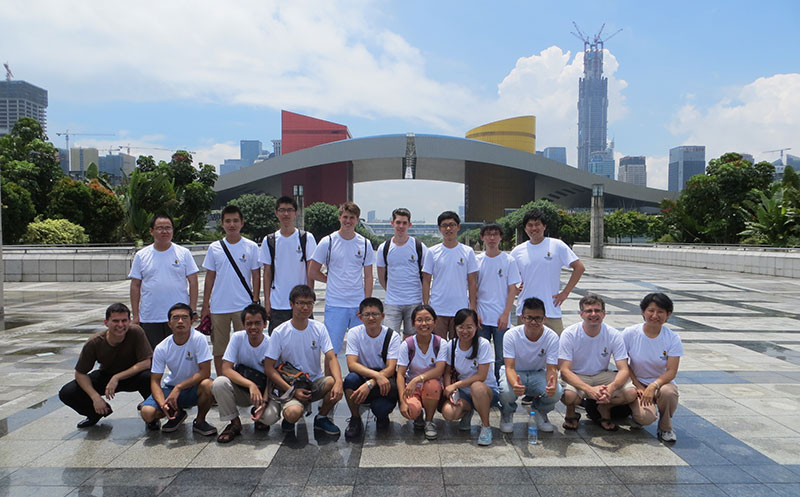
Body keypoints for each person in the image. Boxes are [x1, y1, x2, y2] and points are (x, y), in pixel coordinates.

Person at [263, 285, 344, 435]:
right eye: (300, 303)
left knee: (334, 383)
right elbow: (269, 367)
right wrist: (291, 390)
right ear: (291, 304)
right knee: (294, 413)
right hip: (289, 384)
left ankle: (321, 417)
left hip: (313, 382)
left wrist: (339, 382)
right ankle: (289, 418)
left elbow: (331, 357)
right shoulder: (280, 332)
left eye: (309, 303)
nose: (305, 307)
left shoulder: (319, 328)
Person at [58, 303, 152, 428]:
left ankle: (152, 415)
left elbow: (146, 363)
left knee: (150, 377)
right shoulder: (95, 342)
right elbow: (80, 373)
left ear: (129, 321)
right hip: (106, 376)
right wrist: (95, 397)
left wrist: (117, 377)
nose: (120, 325)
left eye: (124, 321)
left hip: (133, 375)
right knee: (68, 392)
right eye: (115, 321)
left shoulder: (136, 332)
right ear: (106, 322)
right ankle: (94, 413)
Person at [559, 295, 636, 431]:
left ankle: (604, 407)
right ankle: (571, 411)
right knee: (569, 396)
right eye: (589, 311)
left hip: (601, 374)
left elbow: (623, 369)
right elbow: (565, 370)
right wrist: (589, 390)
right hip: (577, 374)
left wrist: (611, 388)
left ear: (604, 313)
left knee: (631, 393)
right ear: (581, 314)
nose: (593, 314)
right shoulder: (569, 334)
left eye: (597, 310)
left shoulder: (613, 334)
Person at [139, 303, 217, 436]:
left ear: (192, 321)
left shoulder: (199, 339)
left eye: (184, 317)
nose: (180, 321)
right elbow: (155, 380)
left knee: (209, 384)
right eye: (175, 318)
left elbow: (205, 372)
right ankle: (177, 414)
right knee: (147, 413)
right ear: (169, 323)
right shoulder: (162, 347)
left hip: (194, 387)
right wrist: (162, 403)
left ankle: (200, 421)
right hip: (170, 388)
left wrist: (179, 388)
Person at [201, 204, 261, 374]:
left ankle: (245, 383)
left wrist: (255, 301)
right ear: (222, 224)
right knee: (220, 349)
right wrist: (205, 305)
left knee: (246, 346)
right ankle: (223, 382)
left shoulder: (251, 247)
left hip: (243, 306)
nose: (232, 224)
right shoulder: (215, 248)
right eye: (228, 221)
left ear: (242, 223)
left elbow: (256, 275)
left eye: (235, 220)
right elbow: (210, 278)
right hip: (219, 307)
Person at [308, 202, 375, 353]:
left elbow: (369, 276)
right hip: (335, 304)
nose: (348, 221)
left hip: (358, 305)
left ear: (357, 220)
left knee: (360, 350)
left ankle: (357, 377)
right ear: (339, 218)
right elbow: (312, 271)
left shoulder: (365, 243)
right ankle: (332, 377)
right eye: (345, 217)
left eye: (352, 217)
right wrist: (330, 280)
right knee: (331, 349)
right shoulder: (328, 242)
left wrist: (367, 303)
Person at [129, 213, 199, 349]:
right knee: (152, 358)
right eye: (160, 228)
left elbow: (193, 282)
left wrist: (192, 310)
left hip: (178, 316)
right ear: (151, 231)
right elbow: (135, 286)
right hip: (150, 316)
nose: (165, 231)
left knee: (182, 355)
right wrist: (136, 315)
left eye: (168, 228)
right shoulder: (141, 255)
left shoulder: (183, 253)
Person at [511, 209, 585, 335]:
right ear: (525, 229)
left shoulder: (557, 245)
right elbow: (508, 275)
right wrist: (515, 289)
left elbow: (579, 267)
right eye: (530, 225)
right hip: (525, 312)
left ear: (544, 226)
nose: (534, 228)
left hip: (551, 310)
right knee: (525, 351)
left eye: (537, 224)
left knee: (556, 349)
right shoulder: (518, 251)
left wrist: (565, 292)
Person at [623, 293, 683, 442]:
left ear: (668, 315)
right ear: (643, 312)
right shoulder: (630, 333)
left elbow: (672, 371)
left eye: (660, 312)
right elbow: (623, 364)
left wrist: (654, 385)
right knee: (645, 418)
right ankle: (636, 414)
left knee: (669, 393)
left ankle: (665, 427)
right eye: (651, 310)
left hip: (660, 384)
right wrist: (638, 386)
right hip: (636, 382)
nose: (655, 315)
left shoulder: (673, 338)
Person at [498, 297, 562, 434]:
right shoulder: (511, 335)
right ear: (522, 318)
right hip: (516, 372)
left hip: (538, 373)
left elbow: (551, 368)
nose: (533, 322)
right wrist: (515, 384)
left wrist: (552, 384)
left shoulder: (551, 337)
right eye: (529, 317)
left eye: (538, 318)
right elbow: (509, 367)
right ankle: (507, 413)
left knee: (557, 391)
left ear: (544, 319)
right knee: (506, 391)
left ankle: (540, 411)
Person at [342, 297, 402, 439]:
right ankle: (355, 418)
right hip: (364, 376)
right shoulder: (354, 333)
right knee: (350, 380)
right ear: (360, 316)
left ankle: (382, 416)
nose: (371, 318)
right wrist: (375, 377)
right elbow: (352, 364)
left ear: (382, 316)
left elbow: (391, 368)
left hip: (384, 381)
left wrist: (371, 382)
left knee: (380, 409)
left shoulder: (392, 336)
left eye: (375, 314)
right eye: (366, 314)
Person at [211, 303, 271, 443]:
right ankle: (234, 422)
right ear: (243, 325)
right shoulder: (237, 338)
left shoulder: (271, 342)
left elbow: (272, 377)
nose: (253, 327)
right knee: (219, 383)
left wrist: (265, 400)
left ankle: (259, 412)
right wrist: (251, 385)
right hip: (244, 389)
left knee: (269, 418)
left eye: (258, 323)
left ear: (265, 324)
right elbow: (226, 368)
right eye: (249, 323)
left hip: (265, 391)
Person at [439, 308, 499, 446]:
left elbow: (481, 376)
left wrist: (455, 385)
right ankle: (467, 411)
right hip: (464, 392)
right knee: (448, 413)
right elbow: (447, 371)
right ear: (455, 327)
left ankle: (486, 427)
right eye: (461, 327)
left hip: (486, 391)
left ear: (477, 326)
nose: (465, 331)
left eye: (469, 327)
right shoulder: (452, 345)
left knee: (477, 387)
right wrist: (450, 390)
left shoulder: (483, 344)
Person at [260, 196, 317, 334]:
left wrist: (309, 300)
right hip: (278, 303)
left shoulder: (306, 238)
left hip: (301, 303)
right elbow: (267, 273)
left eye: (290, 210)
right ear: (276, 213)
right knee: (277, 346)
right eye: (282, 210)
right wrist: (267, 301)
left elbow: (311, 271)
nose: (286, 214)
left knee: (305, 342)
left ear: (296, 213)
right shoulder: (269, 240)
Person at [422, 211, 478, 339]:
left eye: (452, 225)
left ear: (458, 227)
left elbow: (472, 281)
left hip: (460, 309)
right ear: (439, 228)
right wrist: (426, 305)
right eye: (444, 225)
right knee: (438, 348)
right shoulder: (432, 252)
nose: (448, 228)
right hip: (438, 309)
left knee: (458, 348)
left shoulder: (468, 252)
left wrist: (472, 307)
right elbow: (426, 280)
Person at [476, 222, 521, 380]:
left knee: (502, 358)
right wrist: (475, 312)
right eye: (488, 234)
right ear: (483, 238)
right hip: (482, 316)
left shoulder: (508, 260)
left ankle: (500, 388)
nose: (492, 238)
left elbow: (512, 290)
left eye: (495, 234)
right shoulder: (477, 261)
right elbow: (473, 289)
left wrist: (506, 313)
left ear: (501, 237)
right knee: (482, 355)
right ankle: (486, 386)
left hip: (501, 317)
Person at [396, 304, 446, 440]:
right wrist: (402, 401)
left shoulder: (441, 343)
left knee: (432, 385)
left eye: (428, 319)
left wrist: (417, 379)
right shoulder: (407, 344)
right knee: (410, 412)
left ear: (435, 322)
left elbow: (439, 370)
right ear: (413, 323)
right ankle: (418, 416)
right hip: (412, 389)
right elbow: (400, 374)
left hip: (431, 386)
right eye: (419, 320)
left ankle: (429, 421)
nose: (424, 324)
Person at [376, 208, 428, 336]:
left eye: (404, 223)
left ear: (409, 225)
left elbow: (426, 276)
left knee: (412, 340)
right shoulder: (384, 248)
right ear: (392, 223)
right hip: (392, 303)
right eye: (398, 222)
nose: (401, 226)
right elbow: (381, 276)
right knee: (390, 338)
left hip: (414, 301)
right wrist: (392, 290)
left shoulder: (419, 246)